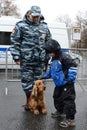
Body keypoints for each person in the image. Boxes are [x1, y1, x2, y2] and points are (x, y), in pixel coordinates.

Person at [10, 5, 51, 110]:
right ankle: (29, 102)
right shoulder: (21, 26)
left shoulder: (44, 27)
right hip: (26, 60)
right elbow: (15, 42)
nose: (36, 18)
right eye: (34, 16)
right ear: (29, 14)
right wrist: (16, 56)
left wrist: (47, 56)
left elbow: (49, 42)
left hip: (40, 61)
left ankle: (38, 103)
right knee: (27, 84)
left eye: (38, 16)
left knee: (39, 84)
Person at [42, 39, 78, 128]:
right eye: (48, 52)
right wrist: (45, 76)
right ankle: (60, 111)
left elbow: (73, 66)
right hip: (59, 83)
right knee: (57, 97)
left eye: (50, 52)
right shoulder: (53, 58)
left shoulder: (64, 57)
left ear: (55, 50)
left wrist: (70, 79)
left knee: (68, 100)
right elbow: (51, 69)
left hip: (67, 83)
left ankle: (70, 120)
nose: (49, 54)